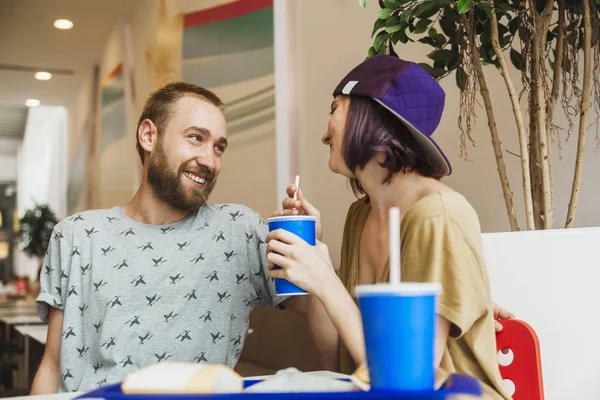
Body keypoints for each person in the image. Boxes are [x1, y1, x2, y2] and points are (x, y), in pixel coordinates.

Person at [31, 82, 304, 394]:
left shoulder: (239, 231)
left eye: (218, 147)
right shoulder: (76, 236)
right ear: (149, 136)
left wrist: (312, 251)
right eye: (196, 138)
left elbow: (318, 309)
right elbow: (53, 364)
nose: (209, 160)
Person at [267, 55, 511, 399]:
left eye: (334, 108)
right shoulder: (360, 215)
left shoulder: (437, 217)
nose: (325, 134)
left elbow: (407, 378)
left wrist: (325, 278)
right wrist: (318, 275)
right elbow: (336, 359)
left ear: (371, 118)